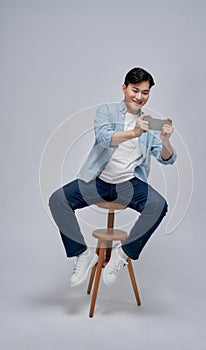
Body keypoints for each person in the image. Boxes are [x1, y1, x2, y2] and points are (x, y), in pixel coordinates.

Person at [49, 67, 176, 288]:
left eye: (145, 92)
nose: (139, 97)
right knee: (57, 200)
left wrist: (165, 140)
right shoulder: (106, 111)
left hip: (129, 184)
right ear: (124, 88)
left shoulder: (149, 123)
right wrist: (133, 133)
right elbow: (103, 138)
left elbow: (166, 158)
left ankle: (123, 254)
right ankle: (82, 253)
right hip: (98, 181)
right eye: (135, 90)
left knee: (159, 205)